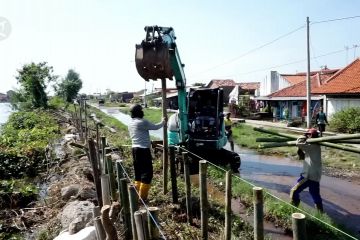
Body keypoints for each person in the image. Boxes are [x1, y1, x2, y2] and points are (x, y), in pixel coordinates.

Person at [128, 104, 165, 201]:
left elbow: (140, 135)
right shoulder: (142, 122)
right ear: (139, 112)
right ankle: (142, 198)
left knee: (138, 173)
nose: (143, 112)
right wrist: (163, 121)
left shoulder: (131, 123)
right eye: (142, 111)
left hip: (134, 149)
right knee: (147, 174)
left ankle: (136, 196)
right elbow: (156, 127)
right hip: (143, 150)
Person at [290, 128, 323, 212]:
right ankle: (320, 213)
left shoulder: (312, 146)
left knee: (294, 191)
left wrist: (303, 136)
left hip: (308, 175)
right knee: (315, 194)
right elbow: (303, 156)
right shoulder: (315, 146)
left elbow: (299, 143)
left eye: (308, 135)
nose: (307, 136)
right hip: (316, 176)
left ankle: (293, 210)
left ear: (310, 135)